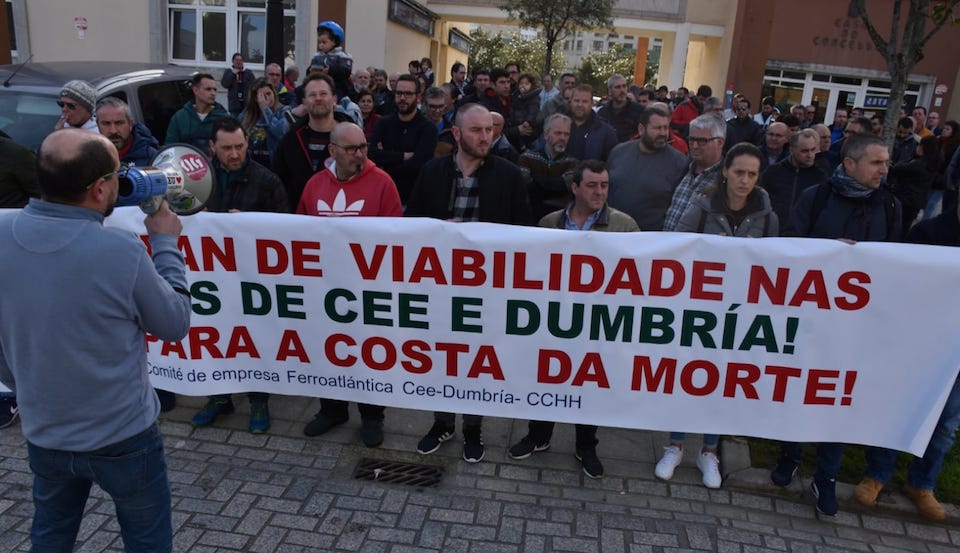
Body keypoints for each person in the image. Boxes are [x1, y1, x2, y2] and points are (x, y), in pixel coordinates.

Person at [0, 128, 191, 551]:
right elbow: (175, 323)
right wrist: (164, 242)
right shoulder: (120, 251)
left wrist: (25, 388)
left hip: (45, 432)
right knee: (147, 541)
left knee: (50, 533)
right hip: (124, 436)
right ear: (103, 187)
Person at [775, 133, 901, 518]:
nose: (884, 169)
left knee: (838, 394)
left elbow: (897, 260)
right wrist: (828, 253)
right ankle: (789, 454)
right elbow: (791, 245)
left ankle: (826, 475)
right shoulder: (816, 197)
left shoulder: (891, 205)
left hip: (859, 323)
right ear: (850, 163)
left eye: (886, 163)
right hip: (812, 315)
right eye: (876, 162)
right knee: (799, 386)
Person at [407, 104, 531, 463]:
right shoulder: (432, 172)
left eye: (489, 130)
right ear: (457, 134)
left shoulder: (509, 175)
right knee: (440, 358)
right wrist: (438, 230)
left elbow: (524, 233)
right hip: (438, 285)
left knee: (476, 361)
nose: (485, 136)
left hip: (485, 289)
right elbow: (411, 224)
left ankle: (473, 429)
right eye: (476, 130)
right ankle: (442, 423)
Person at [508, 160, 637, 478]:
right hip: (552, 319)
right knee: (545, 377)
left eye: (604, 185)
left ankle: (586, 446)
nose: (599, 191)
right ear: (574, 187)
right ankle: (538, 436)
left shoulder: (625, 226)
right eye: (592, 185)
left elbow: (635, 278)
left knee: (587, 386)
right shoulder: (549, 223)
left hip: (595, 322)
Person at [658, 144, 777, 489]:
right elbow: (676, 247)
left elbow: (775, 265)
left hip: (739, 314)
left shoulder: (767, 216)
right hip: (699, 309)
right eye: (739, 172)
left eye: (752, 174)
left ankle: (709, 450)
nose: (744, 180)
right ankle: (676, 445)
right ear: (725, 171)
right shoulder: (703, 205)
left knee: (722, 380)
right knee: (687, 374)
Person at [850, 200, 960, 521]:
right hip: (922, 344)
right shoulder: (928, 232)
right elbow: (904, 281)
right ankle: (877, 476)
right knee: (899, 410)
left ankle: (922, 484)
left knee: (945, 425)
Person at [296, 122, 401, 446]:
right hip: (325, 289)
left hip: (366, 289)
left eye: (363, 148)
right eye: (352, 149)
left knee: (369, 355)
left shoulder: (382, 183)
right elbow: (299, 230)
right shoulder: (315, 185)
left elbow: (396, 236)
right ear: (333, 151)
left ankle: (372, 416)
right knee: (328, 351)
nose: (359, 154)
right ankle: (332, 409)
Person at [190, 118, 288, 433]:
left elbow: (286, 229)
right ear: (212, 148)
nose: (235, 154)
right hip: (210, 276)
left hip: (251, 277)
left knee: (253, 339)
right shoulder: (197, 179)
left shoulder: (267, 180)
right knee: (215, 337)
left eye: (240, 146)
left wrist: (251, 224)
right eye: (227, 148)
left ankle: (258, 399)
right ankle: (219, 397)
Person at [272, 73, 353, 212]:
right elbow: (278, 183)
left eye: (323, 93)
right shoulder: (290, 140)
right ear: (304, 101)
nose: (318, 99)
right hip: (299, 220)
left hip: (342, 217)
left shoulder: (352, 137)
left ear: (334, 98)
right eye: (312, 95)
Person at [607, 106, 689, 231]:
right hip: (613, 232)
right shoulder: (618, 152)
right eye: (657, 128)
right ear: (641, 129)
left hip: (652, 239)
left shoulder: (680, 162)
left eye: (666, 128)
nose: (663, 133)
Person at [368, 74, 438, 205]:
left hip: (411, 200)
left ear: (418, 97)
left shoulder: (427, 128)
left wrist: (385, 164)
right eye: (399, 93)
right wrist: (403, 156)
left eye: (408, 94)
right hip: (381, 197)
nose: (402, 98)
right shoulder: (383, 123)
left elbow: (418, 165)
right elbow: (371, 154)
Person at [662, 114, 727, 231]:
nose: (695, 146)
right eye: (692, 140)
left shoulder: (726, 180)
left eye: (702, 141)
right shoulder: (682, 168)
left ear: (720, 142)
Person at [760, 128, 827, 234]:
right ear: (792, 150)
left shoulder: (821, 177)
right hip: (772, 235)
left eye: (813, 150)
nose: (810, 155)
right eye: (805, 151)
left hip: (803, 240)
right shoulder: (773, 172)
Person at [517, 113, 579, 222]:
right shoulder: (526, 158)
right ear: (546, 134)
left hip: (560, 222)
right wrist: (555, 184)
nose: (562, 138)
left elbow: (566, 186)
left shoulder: (573, 163)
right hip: (530, 220)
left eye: (566, 134)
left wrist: (536, 179)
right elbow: (525, 187)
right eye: (558, 133)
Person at [889, 135, 942, 237]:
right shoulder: (932, 163)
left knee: (899, 228)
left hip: (905, 199)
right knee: (905, 227)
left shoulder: (918, 164)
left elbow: (898, 168)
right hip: (916, 201)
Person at [165, 73, 229, 154]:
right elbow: (169, 149)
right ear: (196, 90)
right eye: (208, 89)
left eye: (214, 89)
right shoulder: (180, 117)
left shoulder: (224, 119)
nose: (213, 93)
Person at [239, 79, 291, 166]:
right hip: (251, 165)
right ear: (255, 98)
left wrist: (265, 109)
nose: (266, 98)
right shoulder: (246, 115)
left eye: (269, 94)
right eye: (262, 96)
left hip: (273, 164)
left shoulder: (284, 111)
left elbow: (280, 132)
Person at [96, 97, 159, 167]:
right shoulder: (90, 158)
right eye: (106, 123)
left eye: (119, 123)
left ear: (130, 124)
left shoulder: (152, 158)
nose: (113, 131)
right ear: (97, 125)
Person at [567, 84, 617, 161]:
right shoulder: (558, 125)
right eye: (576, 100)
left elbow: (612, 162)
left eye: (585, 101)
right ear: (570, 102)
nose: (580, 105)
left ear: (591, 104)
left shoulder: (606, 131)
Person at [311, 21, 354, 102]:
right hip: (320, 87)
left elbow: (346, 71)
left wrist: (330, 70)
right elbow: (311, 69)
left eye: (324, 42)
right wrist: (311, 71)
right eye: (319, 42)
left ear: (334, 41)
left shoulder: (343, 56)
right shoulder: (317, 56)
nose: (321, 45)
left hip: (337, 88)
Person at [598, 74, 645, 143]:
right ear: (610, 91)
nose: (622, 90)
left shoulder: (639, 110)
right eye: (617, 87)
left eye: (624, 86)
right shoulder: (602, 113)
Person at [221, 53, 257, 118]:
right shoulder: (229, 72)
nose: (239, 62)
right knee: (234, 125)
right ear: (233, 61)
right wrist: (233, 74)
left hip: (246, 106)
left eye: (240, 60)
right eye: (237, 60)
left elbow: (255, 86)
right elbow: (225, 84)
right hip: (234, 106)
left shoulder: (248, 73)